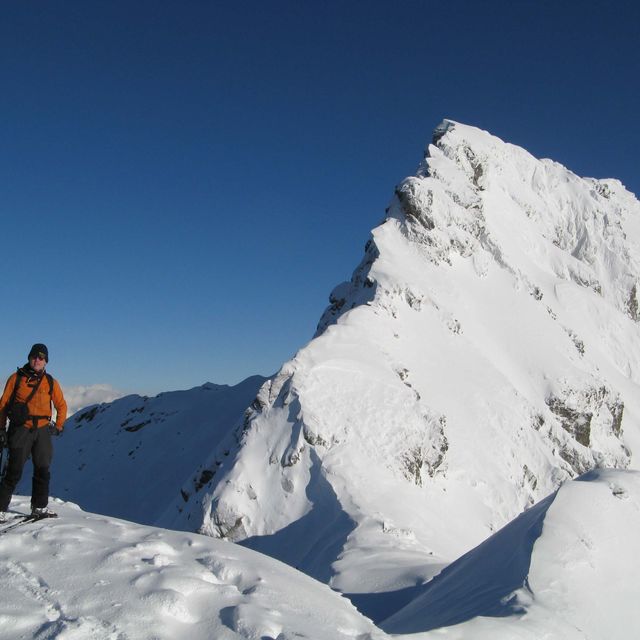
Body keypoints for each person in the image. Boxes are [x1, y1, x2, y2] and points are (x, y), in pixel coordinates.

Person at [0, 343, 67, 522]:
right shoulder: (16, 378)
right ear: (29, 357)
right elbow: (3, 405)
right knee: (13, 470)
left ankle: (39, 507)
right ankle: (0, 508)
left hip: (43, 430)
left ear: (46, 361)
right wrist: (1, 428)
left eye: (42, 357)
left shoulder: (50, 382)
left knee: (42, 470)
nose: (38, 360)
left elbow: (61, 404)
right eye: (35, 356)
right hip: (21, 429)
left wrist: (59, 425)